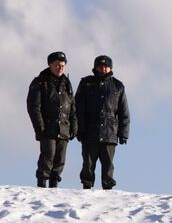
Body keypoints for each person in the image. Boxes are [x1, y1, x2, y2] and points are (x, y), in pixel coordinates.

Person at [75, 55, 130, 190]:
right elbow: (77, 108)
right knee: (88, 164)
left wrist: (123, 133)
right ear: (95, 68)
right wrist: (78, 129)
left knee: (108, 165)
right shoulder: (85, 83)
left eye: (106, 66)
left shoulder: (118, 86)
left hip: (109, 133)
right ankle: (86, 188)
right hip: (89, 132)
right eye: (100, 66)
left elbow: (124, 112)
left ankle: (108, 190)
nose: (103, 69)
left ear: (110, 68)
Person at [27, 51, 77, 188]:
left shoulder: (67, 83)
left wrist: (74, 126)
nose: (60, 68)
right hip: (47, 128)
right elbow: (33, 107)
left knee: (60, 160)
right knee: (47, 156)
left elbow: (72, 107)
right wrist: (40, 127)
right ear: (50, 65)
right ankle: (42, 184)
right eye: (57, 65)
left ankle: (54, 187)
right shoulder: (40, 82)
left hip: (64, 128)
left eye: (63, 65)